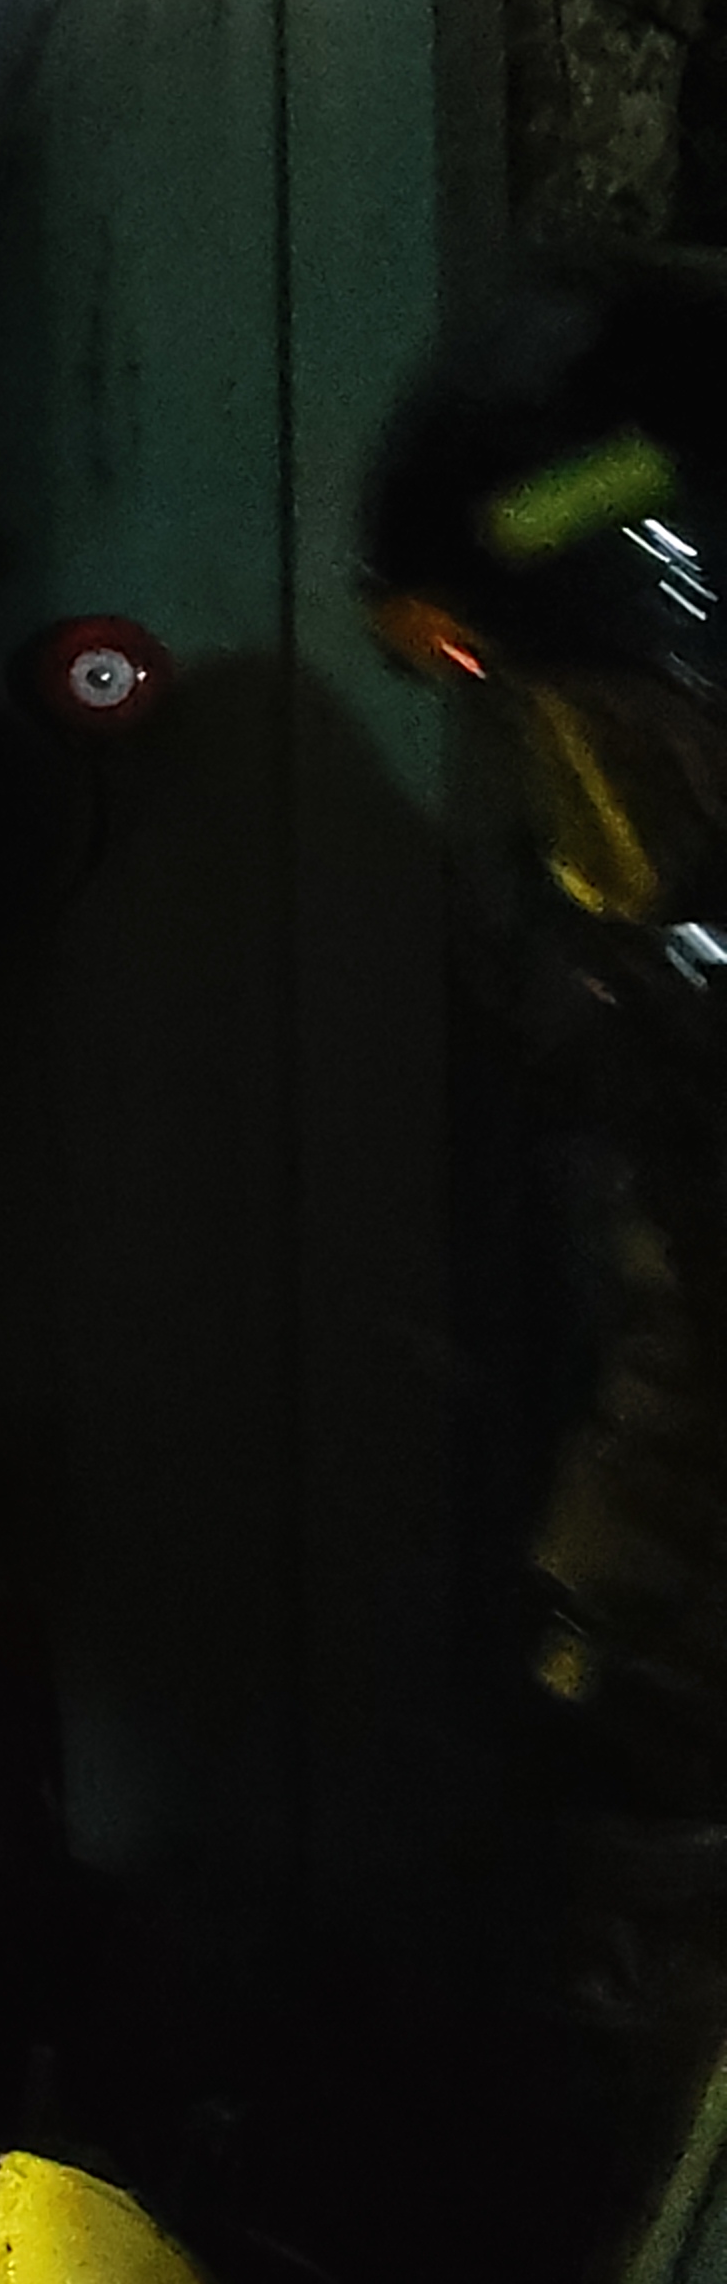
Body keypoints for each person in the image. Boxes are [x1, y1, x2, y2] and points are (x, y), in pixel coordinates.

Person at [368, 251, 727, 2071]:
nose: (599, 840)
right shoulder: (661, 1025)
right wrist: (600, 1626)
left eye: (618, 752)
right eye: (558, 753)